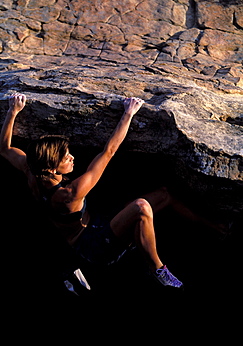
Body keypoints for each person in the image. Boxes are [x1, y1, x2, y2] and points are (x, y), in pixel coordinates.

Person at [0, 93, 192, 289]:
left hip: (97, 223)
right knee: (141, 207)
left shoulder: (32, 170)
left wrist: (12, 111)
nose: (72, 157)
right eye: (66, 158)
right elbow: (108, 151)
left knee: (163, 195)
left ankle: (218, 228)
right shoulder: (70, 194)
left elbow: (5, 149)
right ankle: (158, 270)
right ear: (51, 169)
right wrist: (128, 113)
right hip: (93, 247)